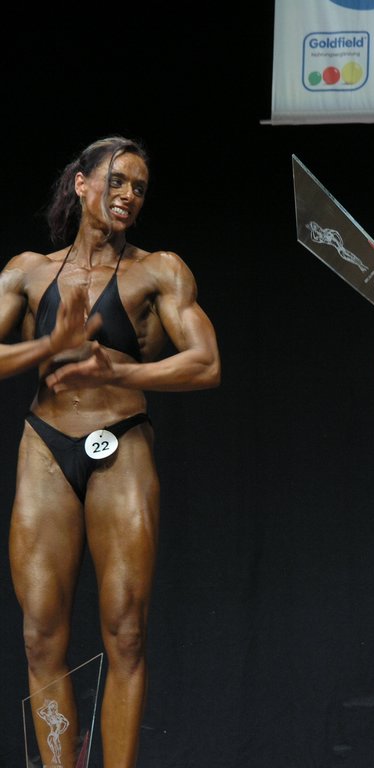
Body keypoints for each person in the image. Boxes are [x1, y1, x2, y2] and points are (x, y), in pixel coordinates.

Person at [0, 136, 221, 767]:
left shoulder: (160, 270)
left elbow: (206, 363)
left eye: (139, 188)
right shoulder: (27, 271)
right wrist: (47, 348)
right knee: (41, 634)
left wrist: (119, 372)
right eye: (117, 181)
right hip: (45, 447)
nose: (128, 196)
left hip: (120, 443)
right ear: (81, 184)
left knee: (125, 630)